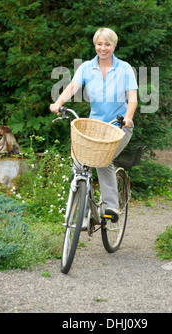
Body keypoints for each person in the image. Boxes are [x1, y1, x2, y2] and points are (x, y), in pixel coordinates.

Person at [50, 27, 138, 222]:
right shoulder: (87, 68)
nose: (103, 48)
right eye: (99, 44)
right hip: (96, 127)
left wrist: (129, 117)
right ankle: (79, 207)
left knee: (103, 160)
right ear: (95, 45)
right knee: (78, 161)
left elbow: (132, 98)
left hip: (119, 126)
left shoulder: (124, 68)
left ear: (114, 45)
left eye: (107, 44)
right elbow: (73, 87)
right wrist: (58, 103)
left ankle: (111, 207)